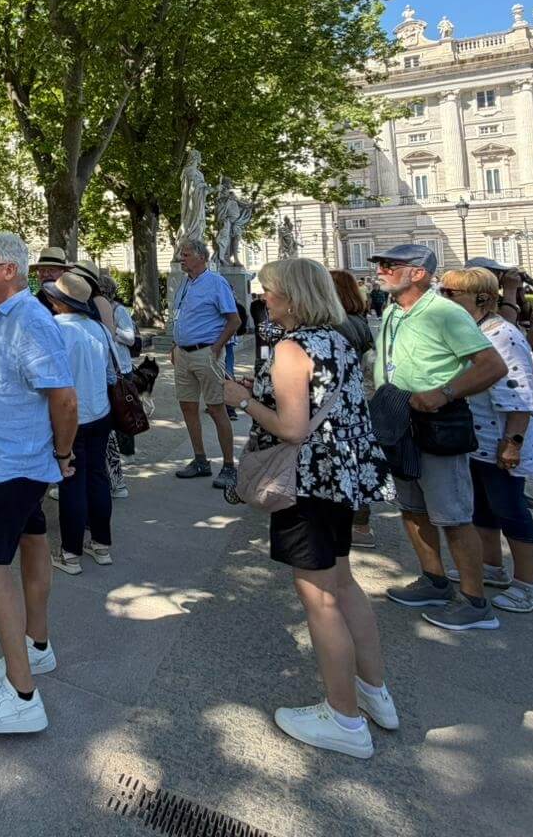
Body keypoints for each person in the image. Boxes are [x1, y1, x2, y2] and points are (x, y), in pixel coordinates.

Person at [222, 258, 396, 759]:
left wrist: (242, 400)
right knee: (343, 583)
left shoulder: (291, 347)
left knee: (318, 596)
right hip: (339, 477)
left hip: (306, 482)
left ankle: (343, 718)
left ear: (293, 296)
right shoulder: (337, 339)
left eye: (269, 291)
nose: (263, 298)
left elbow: (292, 429)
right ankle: (373, 691)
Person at [0, 231, 79, 734]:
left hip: (14, 464)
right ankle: (36, 644)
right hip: (12, 459)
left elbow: (64, 400)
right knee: (32, 540)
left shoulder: (29, 319)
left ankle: (21, 692)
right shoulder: (8, 316)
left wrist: (63, 455)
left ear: (9, 270)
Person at [369, 244, 508, 631]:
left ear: (417, 273)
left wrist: (445, 392)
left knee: (453, 515)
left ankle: (475, 601)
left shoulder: (445, 312)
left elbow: (491, 365)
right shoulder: (393, 310)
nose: (380, 271)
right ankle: (434, 580)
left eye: (389, 265)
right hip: (398, 418)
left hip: (436, 421)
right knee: (412, 507)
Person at [438, 269, 533, 611]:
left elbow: (520, 395)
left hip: (500, 439)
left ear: (482, 297)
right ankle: (491, 565)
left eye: (451, 293)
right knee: (483, 508)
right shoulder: (474, 330)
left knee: (510, 509)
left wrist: (512, 442)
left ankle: (529, 585)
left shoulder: (503, 335)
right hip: (477, 439)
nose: (444, 299)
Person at [41, 274, 116, 574]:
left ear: (60, 302)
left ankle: (70, 553)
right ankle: (101, 544)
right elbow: (111, 374)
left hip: (69, 415)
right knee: (98, 476)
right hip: (100, 411)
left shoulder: (55, 329)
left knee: (70, 479)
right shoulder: (99, 329)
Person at [169, 239, 241, 489]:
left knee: (217, 408)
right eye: (181, 254)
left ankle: (229, 466)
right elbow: (181, 317)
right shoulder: (184, 283)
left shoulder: (216, 282)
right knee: (187, 406)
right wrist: (175, 344)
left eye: (186, 255)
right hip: (183, 353)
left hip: (206, 352)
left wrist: (217, 346)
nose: (182, 258)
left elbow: (234, 320)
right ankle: (200, 460)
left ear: (202, 257)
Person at [329, 269, 379, 550]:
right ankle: (360, 523)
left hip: (341, 402)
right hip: (358, 400)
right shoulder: (358, 320)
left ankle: (354, 525)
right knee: (354, 460)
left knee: (343, 461)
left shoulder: (337, 324)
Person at [100, 271, 138, 500]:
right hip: (107, 371)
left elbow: (130, 338)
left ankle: (127, 453)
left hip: (121, 369)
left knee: (124, 414)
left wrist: (112, 331)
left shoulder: (118, 310)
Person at [31, 246, 71, 311]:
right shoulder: (38, 298)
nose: (45, 274)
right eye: (42, 270)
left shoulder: (72, 298)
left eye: (51, 270)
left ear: (63, 272)